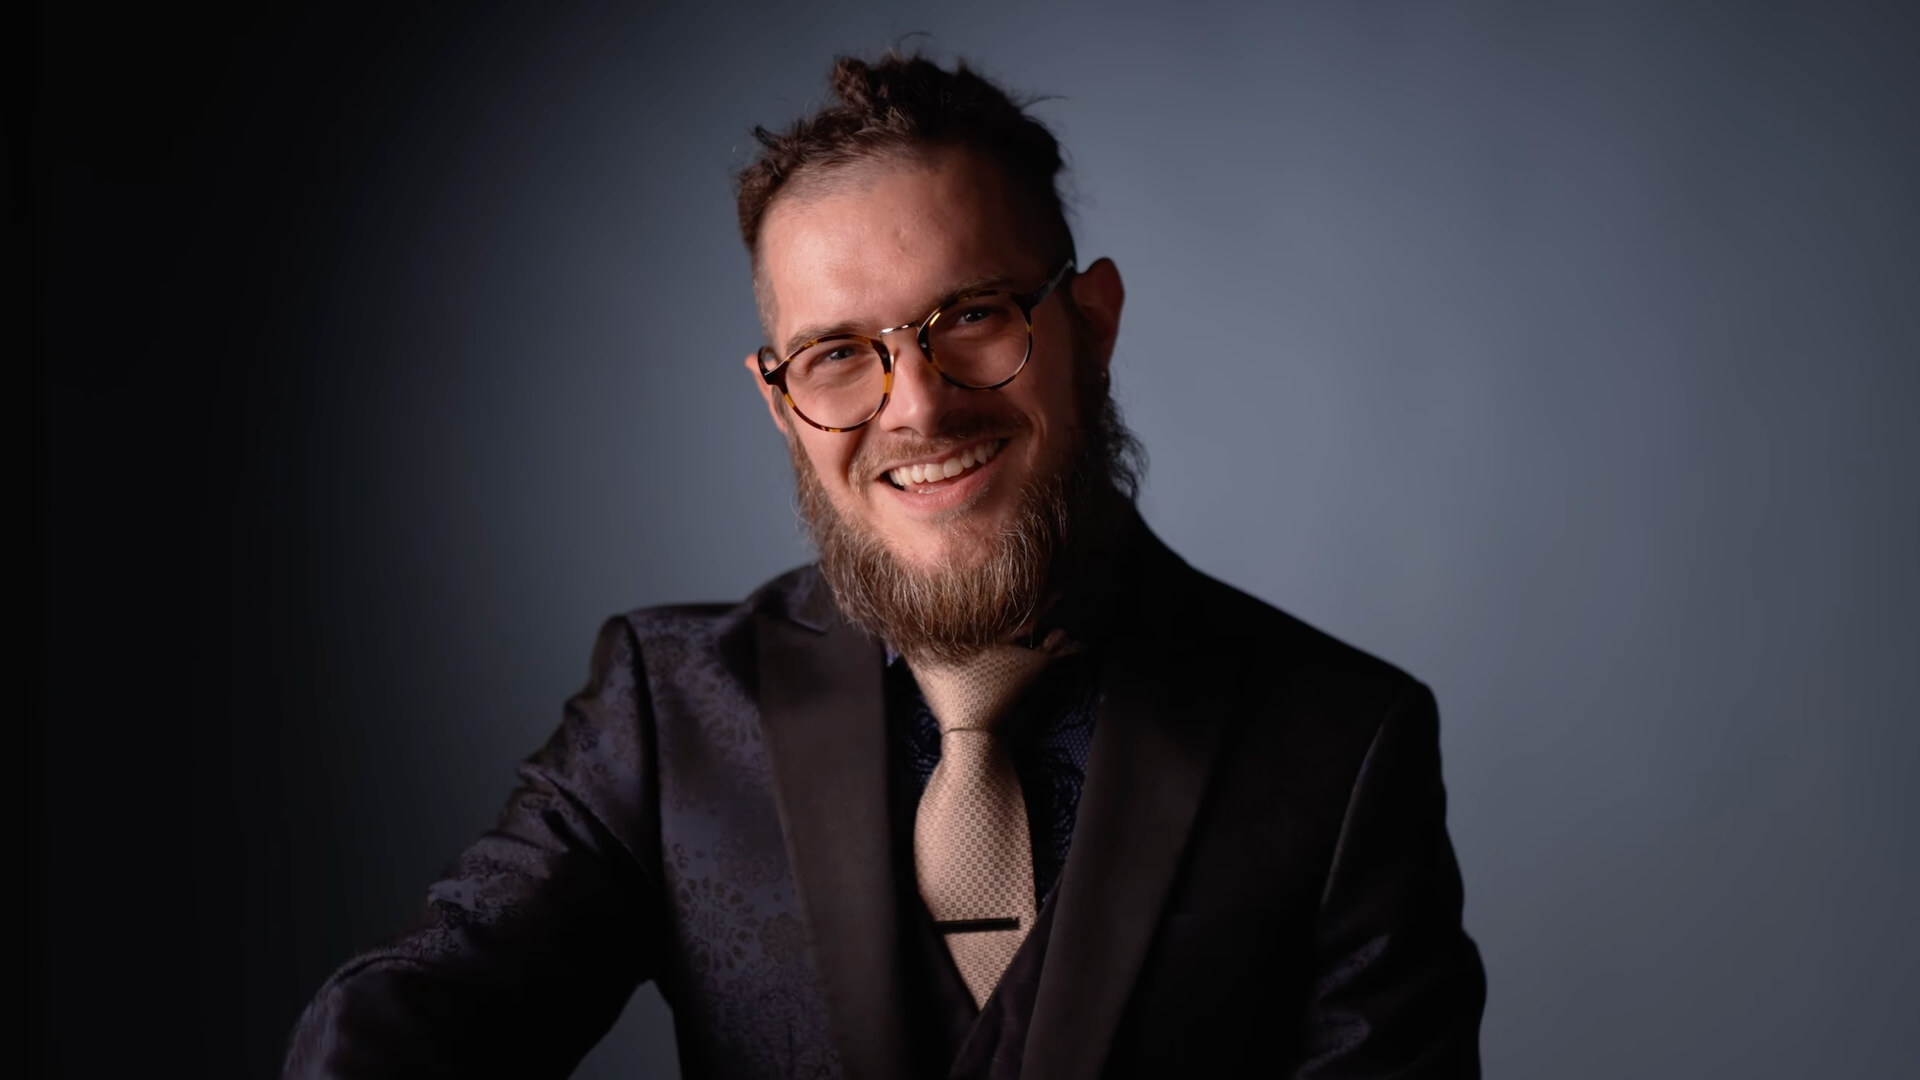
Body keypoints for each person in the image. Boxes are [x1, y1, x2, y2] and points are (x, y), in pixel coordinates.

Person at [284, 51, 1486, 1080]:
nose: (917, 407)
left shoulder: (1344, 743)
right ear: (779, 401)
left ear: (1092, 323)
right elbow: (417, 1018)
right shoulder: (665, 710)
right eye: (837, 354)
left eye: (972, 316)